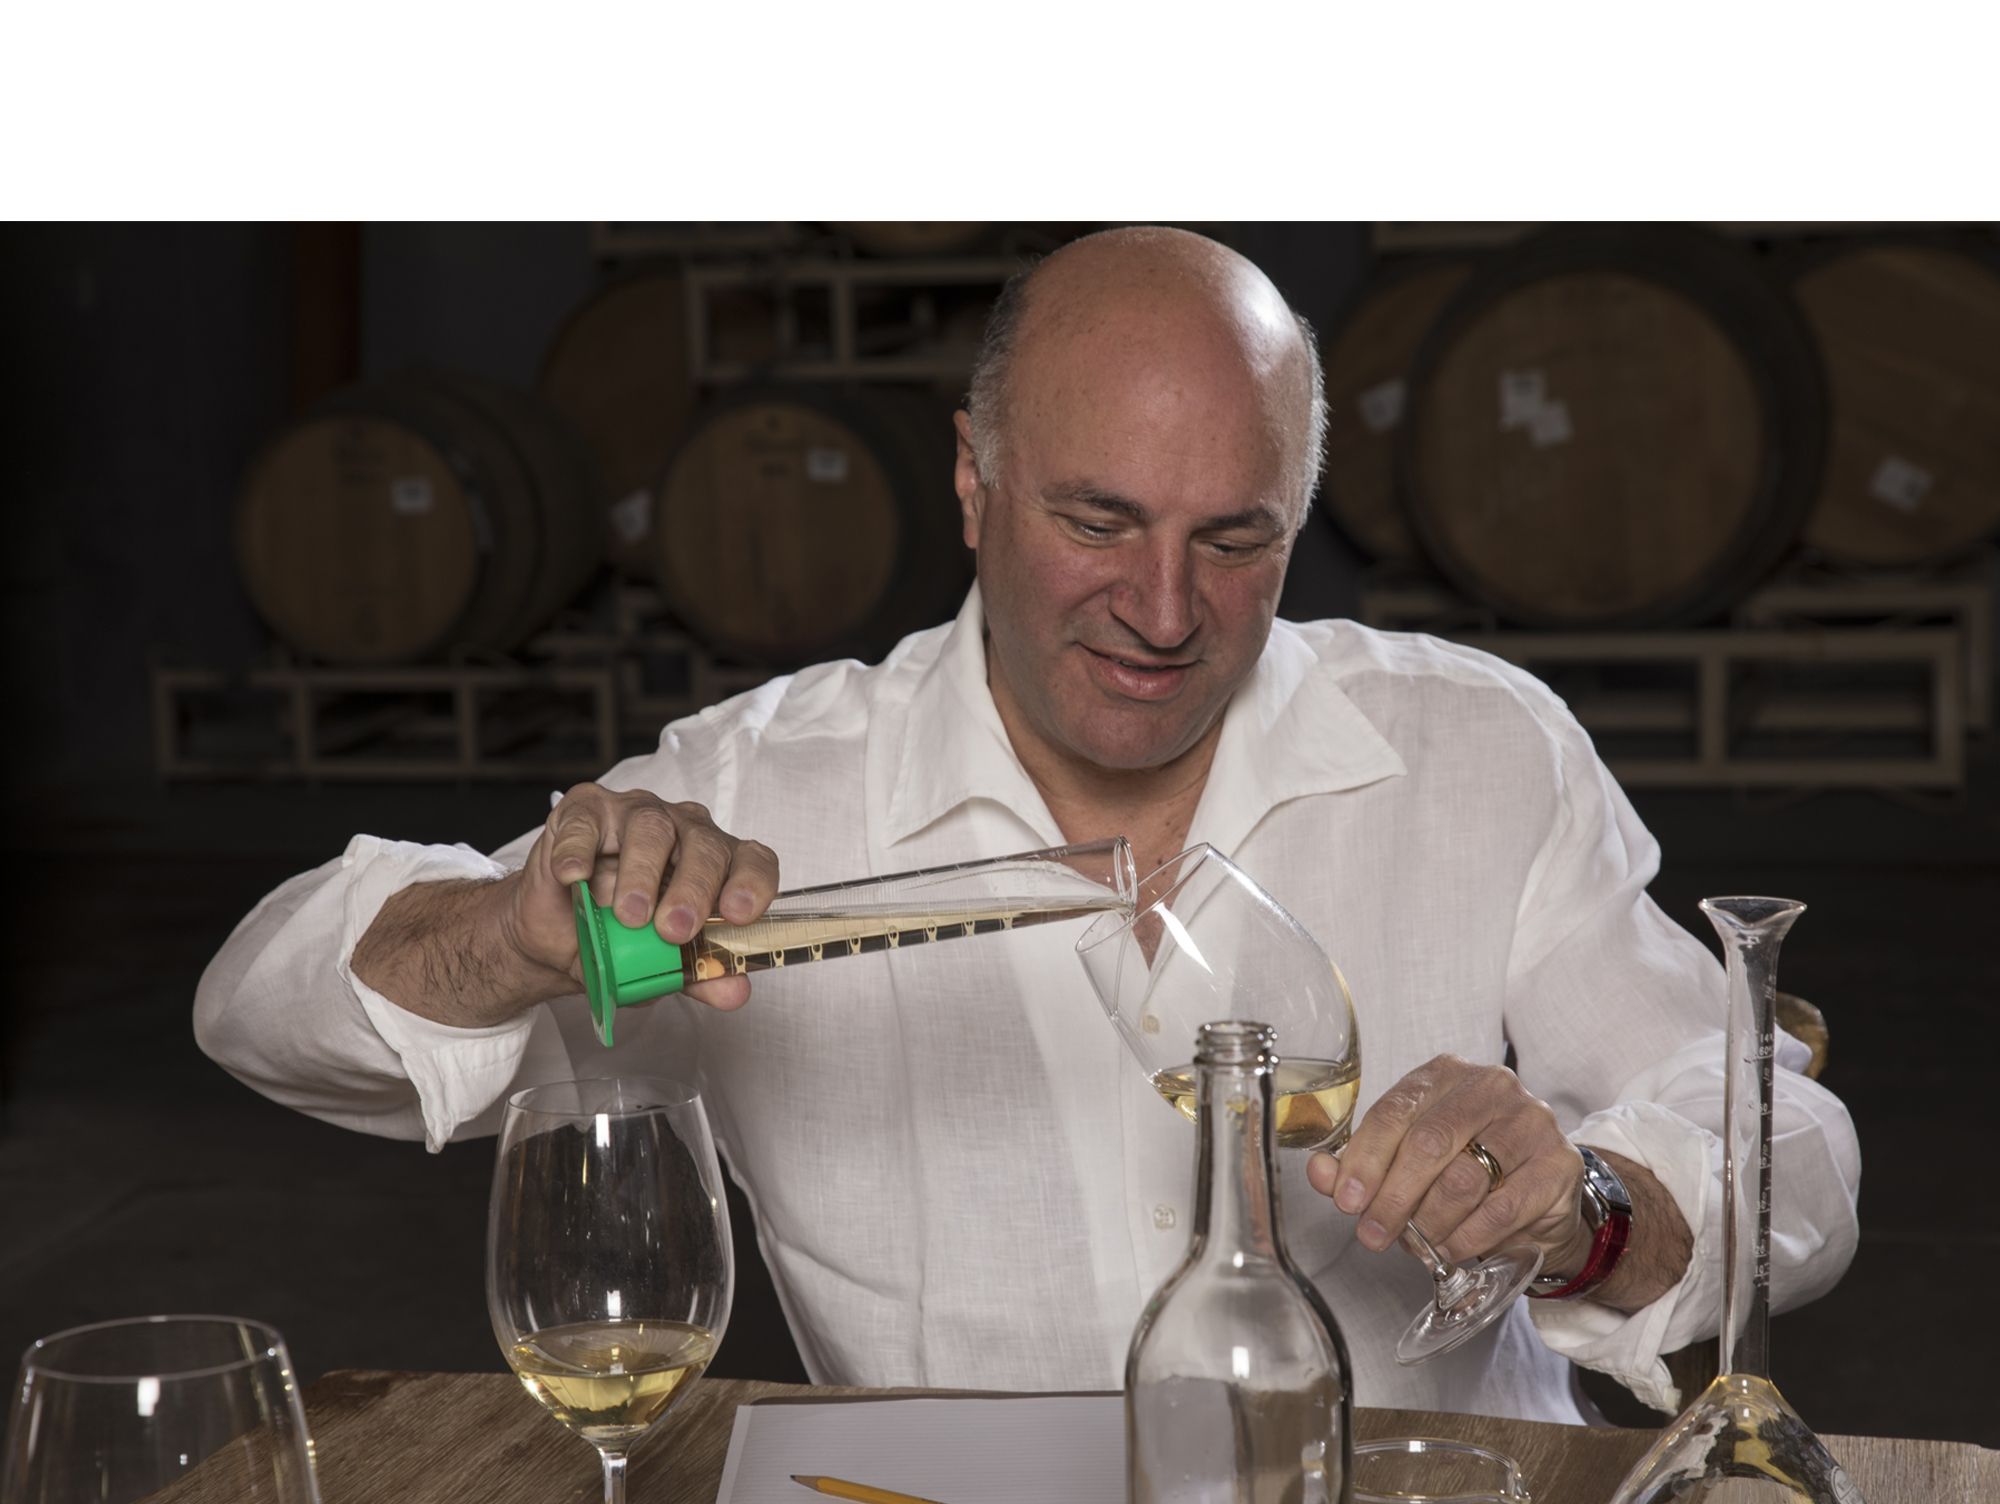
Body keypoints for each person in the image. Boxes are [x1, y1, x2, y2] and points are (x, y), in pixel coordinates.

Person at [195, 226, 1859, 1422]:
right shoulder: (765, 791)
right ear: (974, 483)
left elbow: (1788, 1141)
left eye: (1235, 538)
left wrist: (1594, 1210)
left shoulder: (1478, 745)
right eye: (1098, 520)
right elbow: (258, 1006)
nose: (1164, 609)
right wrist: (509, 936)